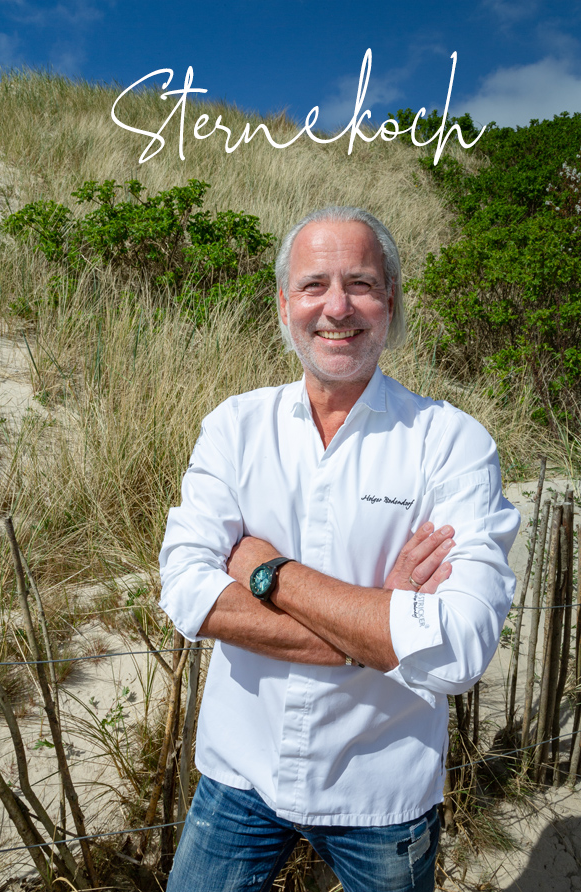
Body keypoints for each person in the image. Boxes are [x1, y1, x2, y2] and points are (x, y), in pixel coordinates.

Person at [158, 207, 519, 892]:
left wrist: (268, 571)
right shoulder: (235, 427)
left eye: (360, 282)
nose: (337, 306)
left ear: (391, 301)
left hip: (381, 789)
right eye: (314, 284)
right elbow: (185, 593)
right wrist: (382, 626)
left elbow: (462, 647)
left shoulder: (453, 443)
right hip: (241, 774)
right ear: (283, 305)